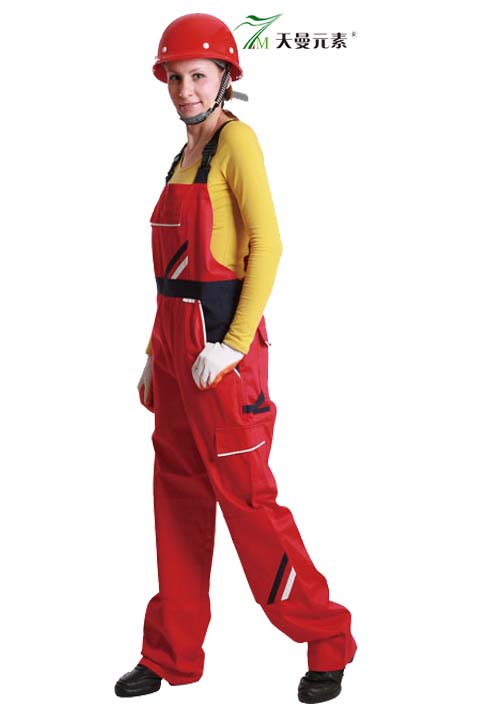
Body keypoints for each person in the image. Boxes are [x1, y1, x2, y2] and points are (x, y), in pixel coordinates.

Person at [114, 13, 357, 704]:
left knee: (249, 505)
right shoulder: (182, 156)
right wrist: (152, 354)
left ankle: (327, 639)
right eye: (174, 77)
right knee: (177, 502)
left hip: (222, 355)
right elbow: (174, 279)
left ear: (226, 77)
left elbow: (268, 245)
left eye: (197, 75)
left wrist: (233, 344)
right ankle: (169, 653)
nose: (184, 90)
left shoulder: (237, 143)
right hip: (174, 352)